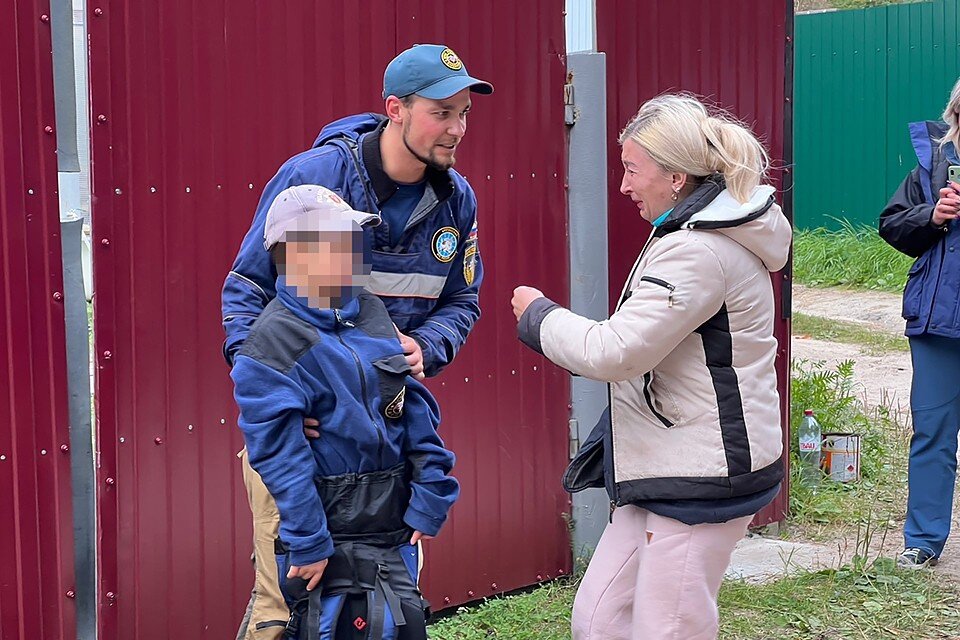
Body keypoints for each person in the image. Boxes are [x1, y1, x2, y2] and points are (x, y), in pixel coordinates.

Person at [222, 44, 492, 639]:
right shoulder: (315, 178)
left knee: (380, 609)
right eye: (441, 113)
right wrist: (270, 398)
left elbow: (462, 300)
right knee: (290, 605)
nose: (457, 129)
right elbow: (245, 287)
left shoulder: (457, 200)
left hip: (383, 445)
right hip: (303, 442)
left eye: (464, 113)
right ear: (395, 109)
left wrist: (428, 346)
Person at [512, 94, 791, 640]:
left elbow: (618, 351)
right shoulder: (691, 231)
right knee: (599, 620)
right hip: (668, 464)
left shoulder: (699, 251)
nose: (623, 185)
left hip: (704, 475)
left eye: (632, 169)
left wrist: (539, 316)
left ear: (677, 177)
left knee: (667, 629)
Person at [231, 184, 459, 639]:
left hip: (391, 519)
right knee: (297, 622)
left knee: (391, 619)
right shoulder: (270, 345)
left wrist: (432, 492)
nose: (354, 255)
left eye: (354, 241)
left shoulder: (371, 312)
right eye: (335, 243)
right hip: (321, 519)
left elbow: (411, 406)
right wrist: (309, 541)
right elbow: (281, 457)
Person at [879, 78, 960, 570]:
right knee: (932, 432)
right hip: (938, 324)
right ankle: (924, 542)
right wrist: (933, 215)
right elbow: (891, 224)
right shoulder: (932, 166)